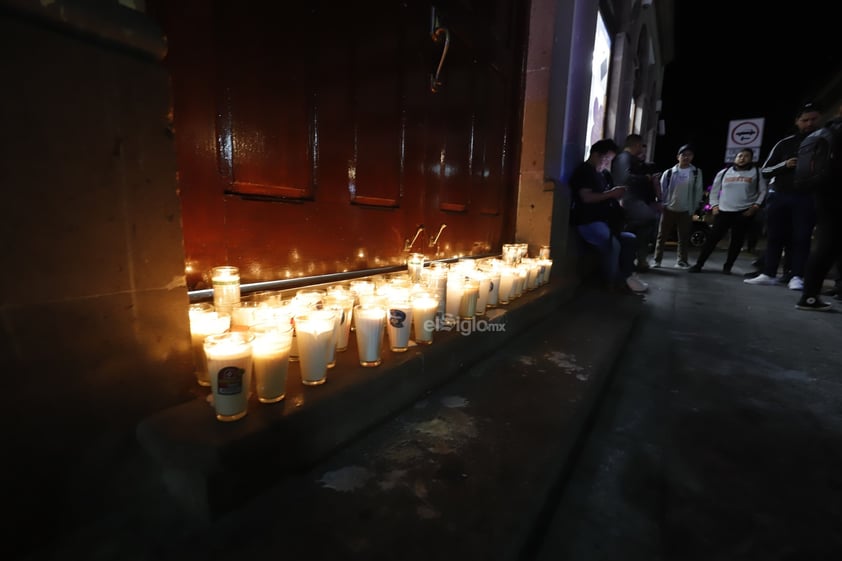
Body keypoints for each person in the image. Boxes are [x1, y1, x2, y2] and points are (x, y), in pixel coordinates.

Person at [744, 103, 822, 289]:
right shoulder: (785, 143)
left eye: (813, 119)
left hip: (807, 197)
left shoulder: (824, 141)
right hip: (780, 196)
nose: (809, 123)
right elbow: (765, 170)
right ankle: (768, 273)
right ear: (797, 122)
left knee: (802, 238)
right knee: (774, 236)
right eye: (805, 120)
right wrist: (784, 165)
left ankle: (797, 276)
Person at [569, 139, 648, 294]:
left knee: (630, 239)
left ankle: (626, 276)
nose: (605, 163)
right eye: (604, 159)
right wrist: (611, 194)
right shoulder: (584, 171)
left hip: (606, 221)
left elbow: (610, 194)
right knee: (614, 245)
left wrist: (617, 196)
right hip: (588, 221)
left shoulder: (604, 174)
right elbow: (586, 197)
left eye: (609, 160)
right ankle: (613, 282)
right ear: (595, 155)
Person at [688, 148, 767, 273]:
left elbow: (763, 191)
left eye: (746, 156)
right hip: (724, 211)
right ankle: (699, 264)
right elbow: (714, 190)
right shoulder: (724, 172)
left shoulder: (757, 173)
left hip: (744, 212)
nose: (742, 158)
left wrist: (755, 206)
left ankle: (728, 267)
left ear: (751, 159)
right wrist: (714, 205)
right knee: (712, 239)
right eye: (740, 156)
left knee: (736, 241)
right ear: (735, 158)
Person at [796, 104, 842, 311]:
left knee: (829, 244)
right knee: (827, 245)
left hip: (825, 193)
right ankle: (810, 296)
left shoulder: (830, 130)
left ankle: (811, 295)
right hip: (836, 194)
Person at [611, 134, 659, 272]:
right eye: (641, 145)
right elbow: (625, 178)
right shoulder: (624, 158)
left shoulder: (628, 159)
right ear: (637, 145)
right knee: (648, 219)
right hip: (629, 200)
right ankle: (635, 259)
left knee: (645, 224)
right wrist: (646, 178)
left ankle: (638, 258)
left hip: (633, 200)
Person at [652, 144, 705, 268]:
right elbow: (662, 189)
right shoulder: (669, 172)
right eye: (683, 155)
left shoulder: (696, 172)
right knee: (661, 236)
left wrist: (694, 207)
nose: (686, 157)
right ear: (678, 157)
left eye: (689, 155)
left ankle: (682, 261)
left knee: (684, 237)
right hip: (668, 208)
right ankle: (657, 260)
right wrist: (662, 203)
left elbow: (698, 191)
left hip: (686, 210)